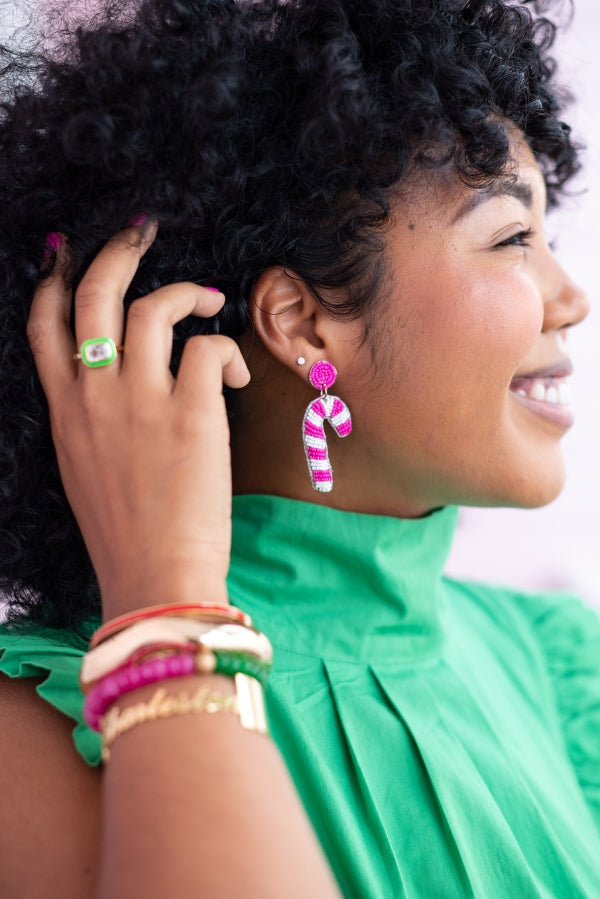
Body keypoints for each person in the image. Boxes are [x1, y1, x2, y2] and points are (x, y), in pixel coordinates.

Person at [0, 0, 598, 895]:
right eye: (513, 237)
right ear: (302, 324)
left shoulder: (558, 663)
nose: (572, 296)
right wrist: (168, 612)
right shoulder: (41, 718)